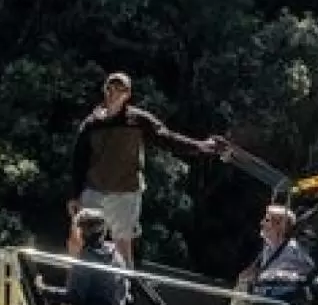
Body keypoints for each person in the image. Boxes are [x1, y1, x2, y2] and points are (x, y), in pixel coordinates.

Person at [67, 71, 223, 269]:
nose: (114, 93)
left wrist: (201, 146)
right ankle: (74, 280)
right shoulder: (92, 123)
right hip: (95, 189)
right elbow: (78, 160)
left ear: (128, 94)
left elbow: (167, 138)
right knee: (78, 237)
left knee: (123, 243)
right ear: (104, 91)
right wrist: (74, 194)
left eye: (120, 89)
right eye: (110, 88)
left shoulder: (137, 120)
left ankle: (124, 289)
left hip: (125, 192)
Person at [42, 208, 128, 305]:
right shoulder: (116, 257)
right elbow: (122, 293)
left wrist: (44, 291)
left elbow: (75, 298)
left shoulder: (86, 259)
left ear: (81, 232)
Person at [231, 204, 316, 305]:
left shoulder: (292, 250)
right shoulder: (268, 248)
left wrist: (267, 276)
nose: (261, 223)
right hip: (263, 302)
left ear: (281, 225)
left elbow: (306, 277)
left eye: (267, 220)